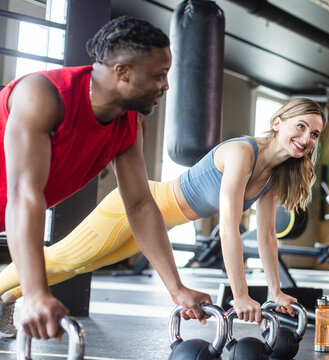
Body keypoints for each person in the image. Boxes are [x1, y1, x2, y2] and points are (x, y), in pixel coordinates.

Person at [0, 98, 326, 329]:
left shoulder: (272, 175)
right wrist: (240, 295)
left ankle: (7, 299)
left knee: (79, 265)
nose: (307, 139)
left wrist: (275, 290)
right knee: (64, 259)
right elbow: (229, 227)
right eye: (301, 126)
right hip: (136, 207)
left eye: (314, 134)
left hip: (159, 223)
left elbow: (267, 236)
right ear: (277, 123)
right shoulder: (243, 152)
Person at [0, 16, 212, 340]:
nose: (166, 86)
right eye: (159, 75)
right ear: (123, 72)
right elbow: (24, 194)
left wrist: (177, 288)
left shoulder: (127, 124)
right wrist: (34, 293)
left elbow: (140, 205)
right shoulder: (42, 95)